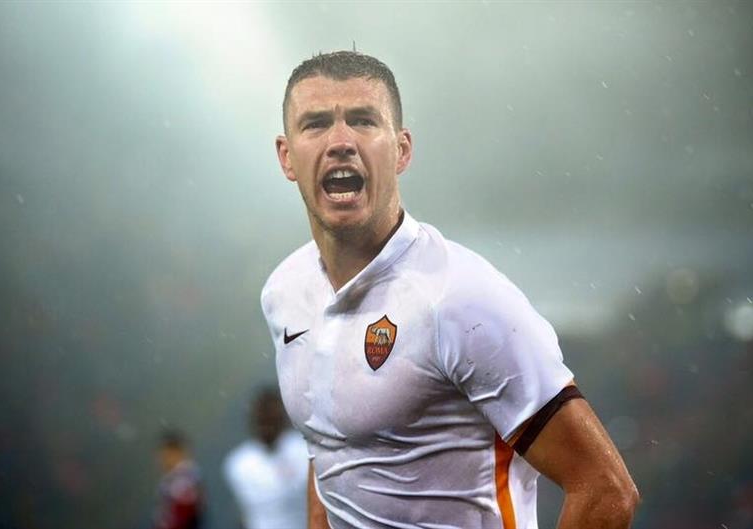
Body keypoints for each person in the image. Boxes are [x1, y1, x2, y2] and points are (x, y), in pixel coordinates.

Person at [261, 50, 639, 529]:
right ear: (286, 156)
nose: (340, 142)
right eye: (316, 124)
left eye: (362, 120)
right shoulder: (284, 291)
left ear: (402, 150)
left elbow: (605, 489)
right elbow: (329, 452)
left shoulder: (462, 299)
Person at [223, 386, 309, 529]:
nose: (267, 425)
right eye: (262, 420)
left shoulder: (304, 451)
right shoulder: (238, 463)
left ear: (282, 418)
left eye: (271, 419)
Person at [154, 429, 204, 529]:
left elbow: (185, 517)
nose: (160, 459)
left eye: (165, 454)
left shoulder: (183, 479)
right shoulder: (177, 476)